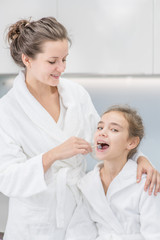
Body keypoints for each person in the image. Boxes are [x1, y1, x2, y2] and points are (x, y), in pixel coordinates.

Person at [0, 17, 159, 240]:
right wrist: (54, 154)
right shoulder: (7, 110)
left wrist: (140, 158)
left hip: (77, 215)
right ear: (27, 59)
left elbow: (101, 143)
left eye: (65, 59)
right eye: (53, 61)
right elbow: (7, 179)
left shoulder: (75, 94)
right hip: (35, 223)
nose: (61, 68)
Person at [65, 105, 160, 240]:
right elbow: (79, 232)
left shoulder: (147, 183)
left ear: (132, 142)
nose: (102, 132)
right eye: (100, 127)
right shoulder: (88, 183)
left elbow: (155, 234)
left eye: (114, 129)